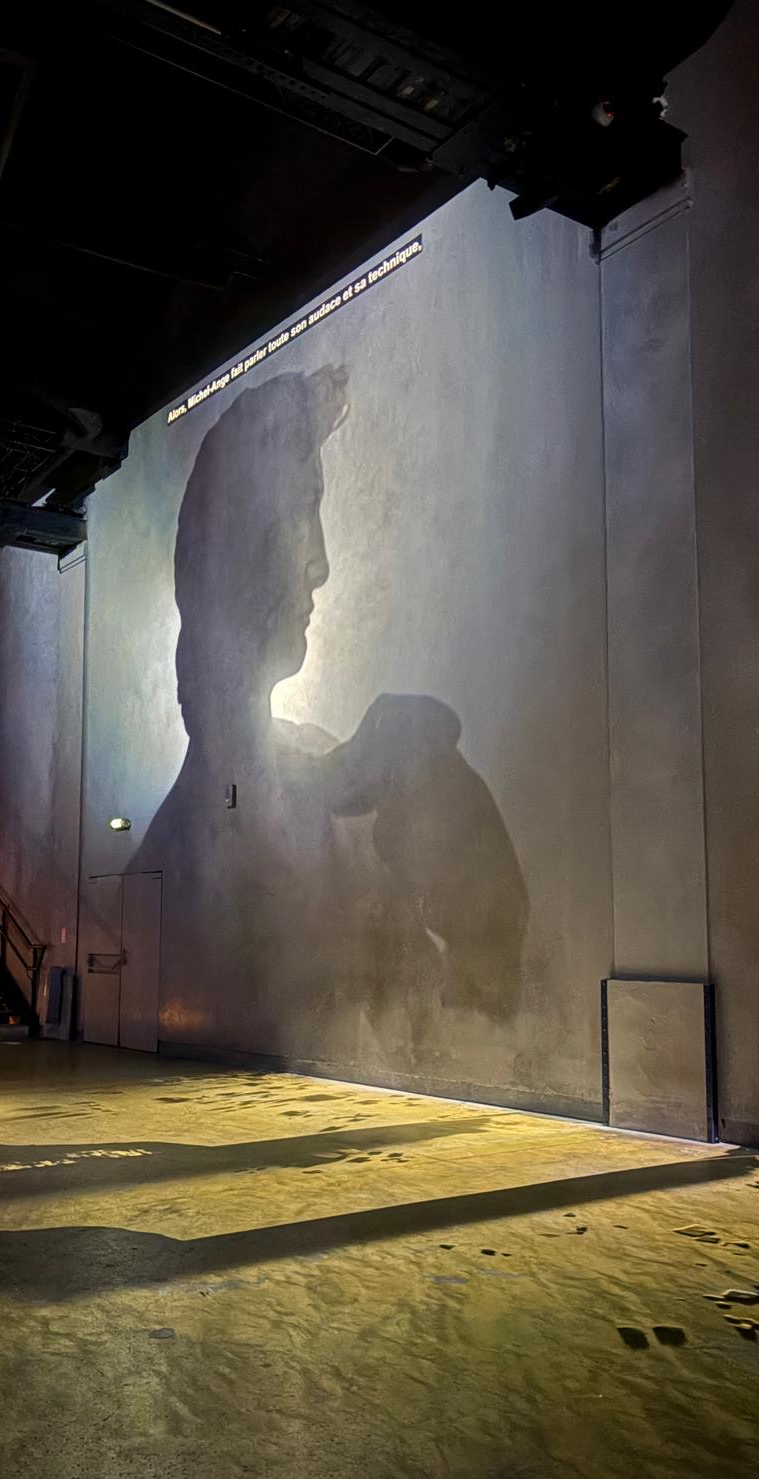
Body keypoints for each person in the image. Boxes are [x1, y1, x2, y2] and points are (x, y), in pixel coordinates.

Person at [132, 365, 528, 1064]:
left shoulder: (348, 782)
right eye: (299, 511)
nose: (320, 565)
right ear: (233, 552)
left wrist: (488, 938)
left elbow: (433, 1036)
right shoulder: (159, 878)